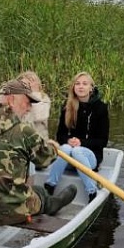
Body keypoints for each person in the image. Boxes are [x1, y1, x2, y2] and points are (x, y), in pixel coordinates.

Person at [0, 79, 77, 227]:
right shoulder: (23, 131)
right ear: (11, 100)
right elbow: (46, 159)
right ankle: (54, 203)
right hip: (11, 213)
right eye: (27, 102)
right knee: (39, 192)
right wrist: (54, 147)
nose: (29, 108)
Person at [44, 72, 110, 203]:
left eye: (85, 84)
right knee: (65, 148)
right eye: (77, 83)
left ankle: (92, 191)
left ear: (91, 88)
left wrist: (82, 142)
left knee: (76, 150)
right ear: (73, 87)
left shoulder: (100, 108)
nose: (81, 87)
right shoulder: (67, 106)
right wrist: (68, 140)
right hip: (70, 159)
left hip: (90, 158)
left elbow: (102, 141)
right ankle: (50, 186)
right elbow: (60, 135)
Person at [17, 71, 51, 140]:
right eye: (24, 84)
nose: (29, 86)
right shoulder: (16, 101)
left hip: (39, 141)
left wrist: (34, 92)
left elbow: (39, 116)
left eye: (31, 82)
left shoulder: (44, 99)